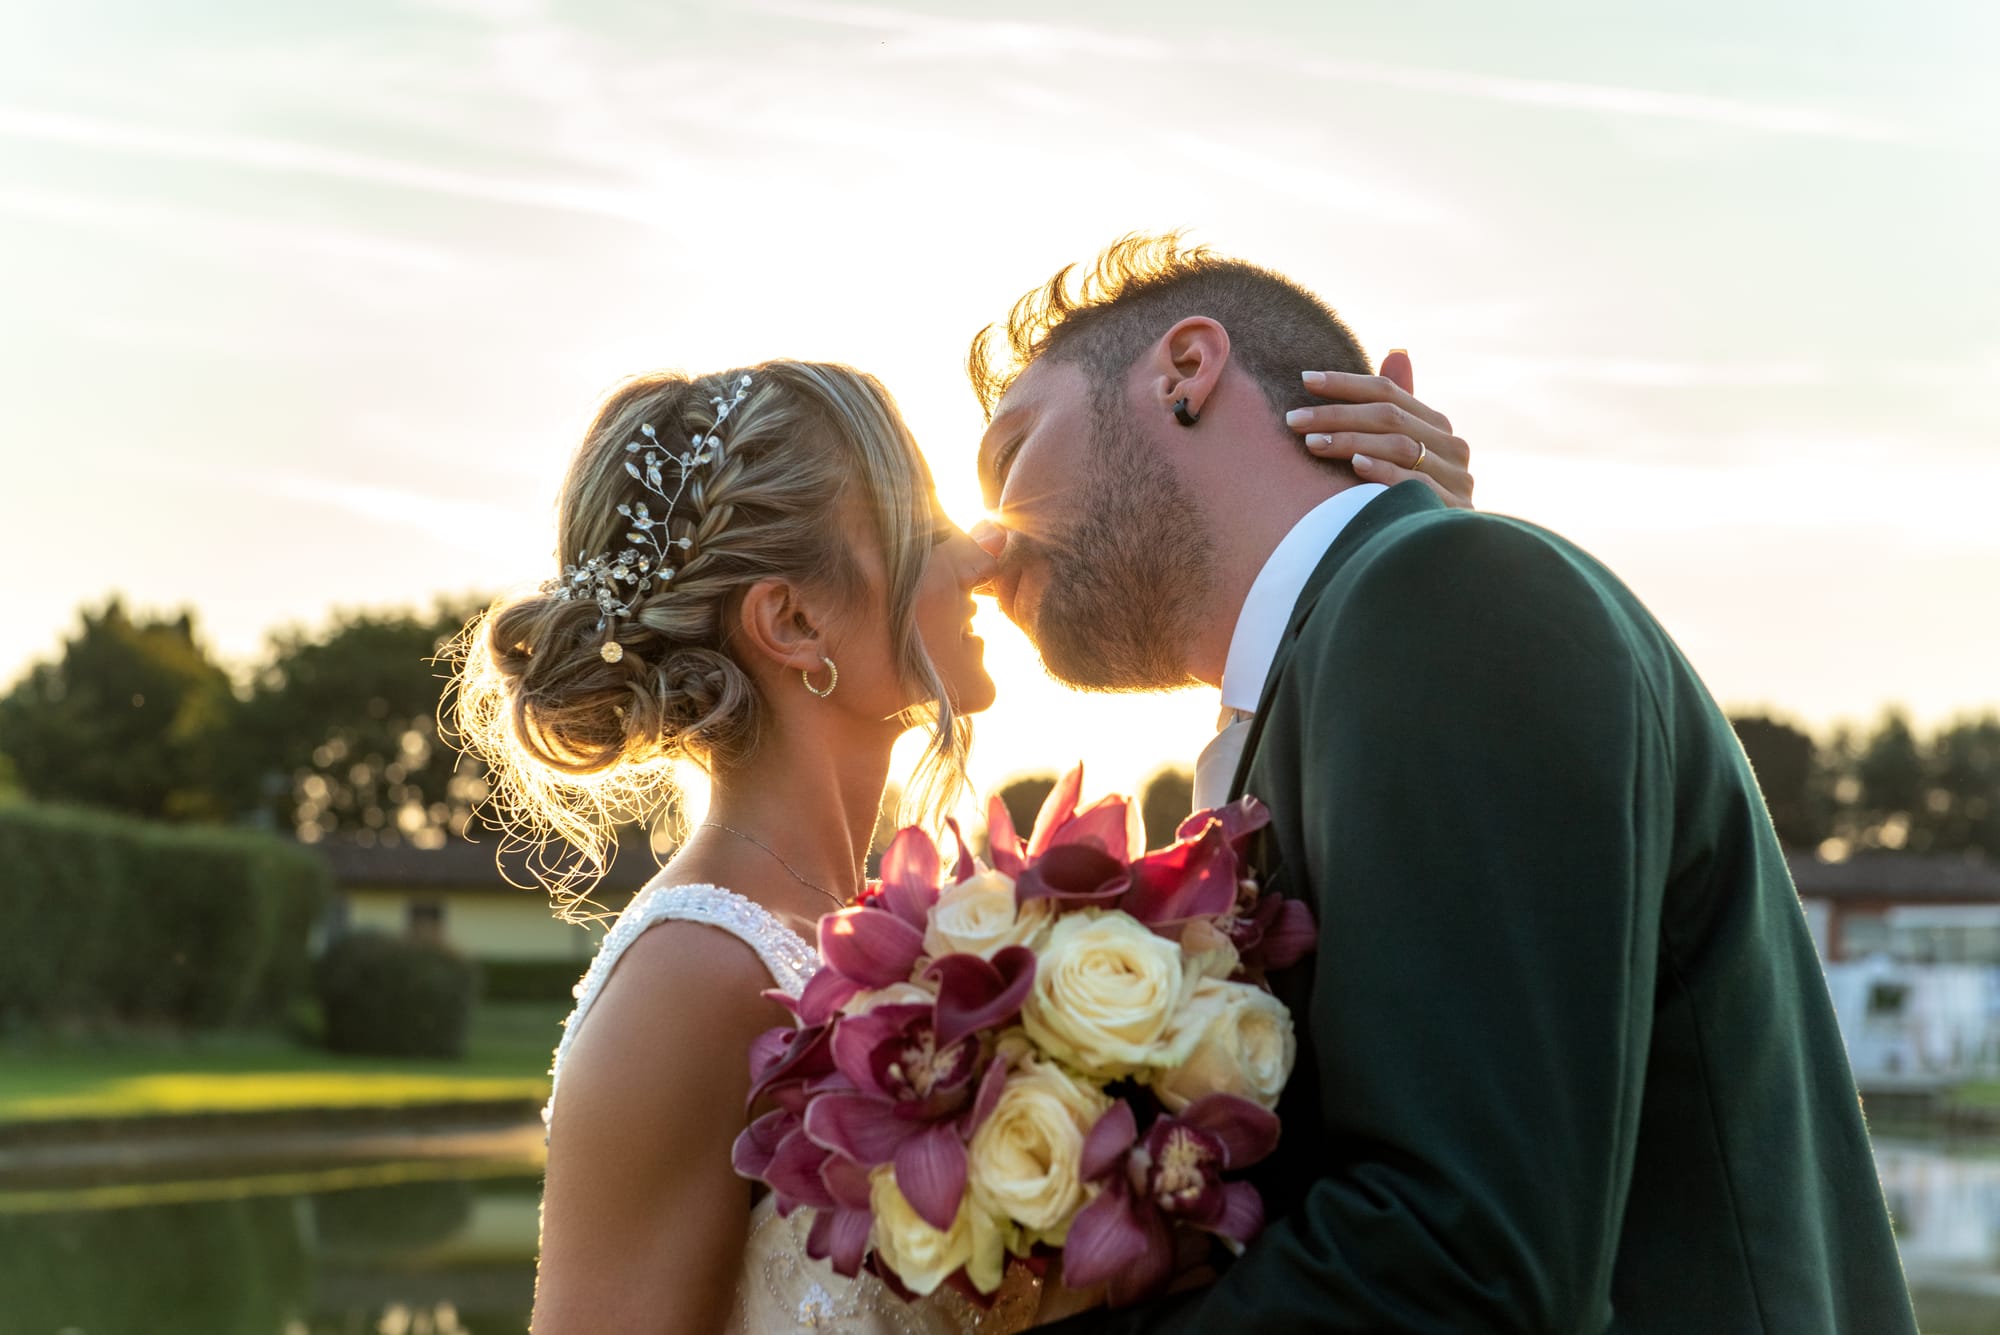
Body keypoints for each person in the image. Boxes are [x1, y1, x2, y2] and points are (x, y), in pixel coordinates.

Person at [970, 234, 1917, 1333]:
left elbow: (1457, 1266)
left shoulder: (1441, 594)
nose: (988, 539)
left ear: (1184, 372)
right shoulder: (1342, 666)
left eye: (1009, 456)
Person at [451, 354, 1474, 1333]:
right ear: (794, 621)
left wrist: (1399, 543)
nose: (981, 555)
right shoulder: (692, 977)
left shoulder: (899, 941)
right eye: (920, 522)